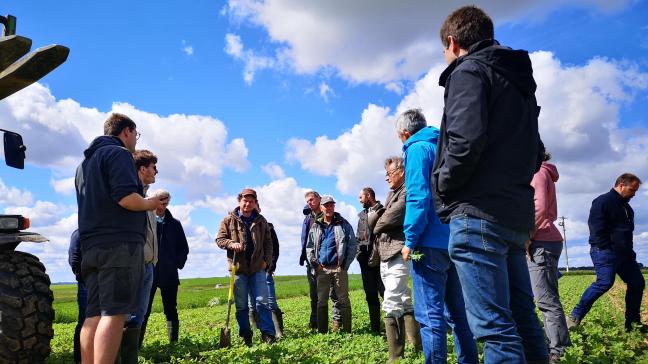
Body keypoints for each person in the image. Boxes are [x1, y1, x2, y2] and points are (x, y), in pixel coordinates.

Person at [432, 6, 548, 363]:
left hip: (477, 212)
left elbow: (464, 143)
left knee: (495, 328)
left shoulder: (468, 71)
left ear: (452, 42)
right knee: (524, 318)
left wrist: (444, 186)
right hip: (513, 216)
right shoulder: (517, 81)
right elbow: (536, 152)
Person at [75, 113, 162, 364]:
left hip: (92, 245)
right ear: (127, 131)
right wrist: (150, 203)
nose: (135, 139)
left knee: (93, 315)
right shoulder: (119, 154)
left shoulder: (84, 165)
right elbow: (126, 198)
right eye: (136, 134)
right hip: (119, 246)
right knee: (114, 314)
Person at [396, 109, 478, 364]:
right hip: (455, 237)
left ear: (405, 133)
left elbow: (418, 197)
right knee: (458, 313)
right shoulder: (445, 145)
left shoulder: (417, 149)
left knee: (429, 315)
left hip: (429, 241)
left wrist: (410, 240)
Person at [568, 173, 645, 332]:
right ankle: (575, 316)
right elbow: (596, 227)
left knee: (637, 283)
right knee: (605, 282)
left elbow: (626, 234)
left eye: (636, 191)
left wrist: (630, 253)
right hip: (605, 251)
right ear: (621, 185)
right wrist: (604, 247)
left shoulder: (627, 208)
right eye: (632, 189)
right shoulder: (603, 201)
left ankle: (632, 324)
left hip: (625, 255)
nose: (634, 194)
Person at [373, 156, 421, 361]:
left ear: (401, 172)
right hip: (388, 252)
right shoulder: (393, 192)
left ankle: (396, 357)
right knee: (403, 298)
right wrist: (382, 217)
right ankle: (416, 346)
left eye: (389, 173)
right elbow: (386, 214)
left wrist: (377, 223)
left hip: (398, 250)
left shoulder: (406, 191)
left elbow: (391, 216)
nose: (386, 178)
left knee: (391, 299)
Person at [526, 152, 571, 362]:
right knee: (545, 295)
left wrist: (527, 235)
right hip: (546, 239)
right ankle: (555, 344)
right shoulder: (544, 171)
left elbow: (539, 207)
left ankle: (559, 350)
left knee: (546, 299)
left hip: (540, 240)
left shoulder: (538, 171)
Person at [216, 188, 276, 345]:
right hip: (239, 269)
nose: (248, 204)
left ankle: (268, 334)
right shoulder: (228, 220)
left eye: (251, 201)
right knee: (241, 305)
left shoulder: (261, 221)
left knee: (262, 301)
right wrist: (231, 243)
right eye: (245, 200)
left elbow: (269, 244)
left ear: (255, 203)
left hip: (257, 268)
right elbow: (220, 239)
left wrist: (266, 262)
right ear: (239, 201)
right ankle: (245, 334)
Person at [118, 149, 159, 363]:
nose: (156, 171)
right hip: (132, 264)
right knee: (122, 315)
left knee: (138, 316)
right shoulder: (130, 195)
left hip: (148, 265)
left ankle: (130, 359)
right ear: (142, 169)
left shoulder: (147, 199)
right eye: (153, 167)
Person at [140, 189, 189, 346]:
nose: (164, 202)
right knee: (144, 310)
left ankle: (173, 343)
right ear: (154, 199)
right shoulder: (145, 220)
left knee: (171, 309)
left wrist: (175, 263)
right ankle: (137, 345)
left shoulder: (175, 224)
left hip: (169, 273)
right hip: (149, 272)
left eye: (166, 200)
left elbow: (183, 248)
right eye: (161, 199)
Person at [306, 195, 358, 333]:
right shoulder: (316, 225)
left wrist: (344, 265)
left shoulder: (344, 224)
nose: (328, 208)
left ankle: (347, 331)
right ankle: (323, 332)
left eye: (331, 205)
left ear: (334, 207)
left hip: (339, 269)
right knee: (321, 301)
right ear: (321, 207)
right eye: (326, 205)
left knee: (343, 301)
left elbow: (353, 245)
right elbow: (309, 247)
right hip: (322, 269)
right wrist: (315, 265)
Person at [300, 191, 340, 330]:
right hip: (312, 262)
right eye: (308, 201)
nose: (309, 202)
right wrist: (306, 257)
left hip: (330, 262)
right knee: (314, 294)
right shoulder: (308, 218)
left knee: (334, 293)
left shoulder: (329, 216)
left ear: (319, 199)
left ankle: (337, 322)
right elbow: (305, 240)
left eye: (312, 199)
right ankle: (315, 321)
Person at [356, 187, 385, 333]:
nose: (359, 200)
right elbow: (358, 238)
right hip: (365, 261)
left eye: (361, 197)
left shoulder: (383, 211)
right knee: (370, 295)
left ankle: (394, 328)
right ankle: (375, 329)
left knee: (386, 293)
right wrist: (358, 254)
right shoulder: (361, 215)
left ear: (368, 196)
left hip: (381, 258)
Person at [68, 229, 86, 364]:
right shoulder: (79, 233)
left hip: (105, 282)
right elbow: (74, 259)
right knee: (84, 322)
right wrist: (84, 277)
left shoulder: (102, 230)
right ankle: (80, 359)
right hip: (86, 284)